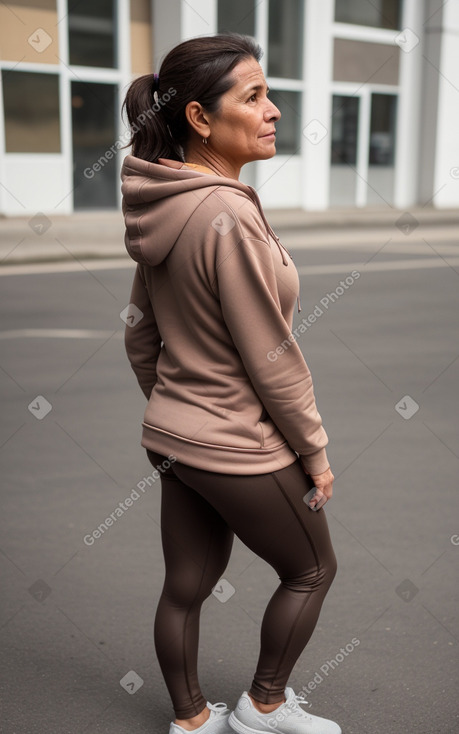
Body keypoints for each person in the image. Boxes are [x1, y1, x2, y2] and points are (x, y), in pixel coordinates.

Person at [121, 33, 340, 734]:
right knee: (311, 569)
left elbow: (139, 332)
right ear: (200, 119)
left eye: (269, 93)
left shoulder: (165, 201)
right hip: (233, 444)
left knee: (185, 586)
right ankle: (263, 705)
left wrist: (177, 403)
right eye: (253, 96)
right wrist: (314, 449)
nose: (273, 110)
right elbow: (270, 357)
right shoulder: (226, 214)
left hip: (172, 435)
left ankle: (190, 721)